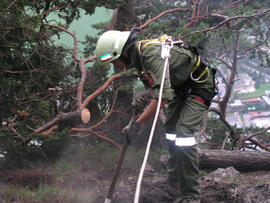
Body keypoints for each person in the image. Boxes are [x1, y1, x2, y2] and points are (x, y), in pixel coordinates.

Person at [95, 28, 216, 203]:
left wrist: (137, 123)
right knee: (171, 132)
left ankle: (191, 195)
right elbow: (153, 89)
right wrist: (143, 98)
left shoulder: (150, 55)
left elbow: (163, 97)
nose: (116, 67)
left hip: (200, 86)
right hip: (180, 90)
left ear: (123, 52)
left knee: (183, 134)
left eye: (115, 61)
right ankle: (174, 180)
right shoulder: (139, 60)